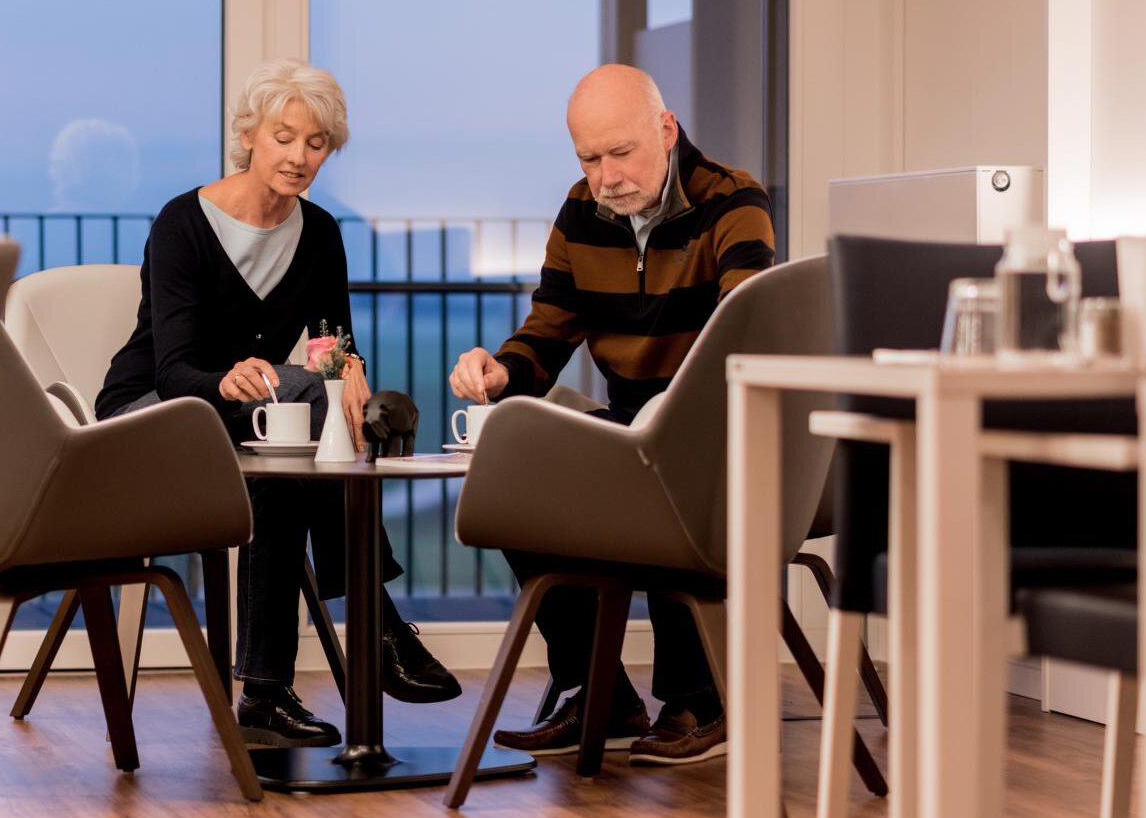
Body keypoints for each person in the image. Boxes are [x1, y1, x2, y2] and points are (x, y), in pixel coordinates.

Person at [96, 59, 459, 748]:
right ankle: (377, 627)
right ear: (249, 135)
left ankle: (264, 697)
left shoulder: (320, 233)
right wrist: (234, 380)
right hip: (148, 413)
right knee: (294, 400)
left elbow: (331, 342)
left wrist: (348, 370)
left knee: (291, 458)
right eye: (284, 136)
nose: (299, 156)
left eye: (316, 143)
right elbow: (174, 369)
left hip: (244, 422)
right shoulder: (182, 223)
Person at [448, 64, 775, 765]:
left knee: (668, 465)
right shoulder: (579, 213)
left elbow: (744, 332)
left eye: (620, 153)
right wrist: (502, 370)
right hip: (628, 423)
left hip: (715, 419)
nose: (605, 177)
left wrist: (669, 416)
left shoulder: (734, 201)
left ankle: (699, 699)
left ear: (666, 129)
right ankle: (596, 691)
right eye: (588, 159)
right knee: (518, 476)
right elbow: (548, 331)